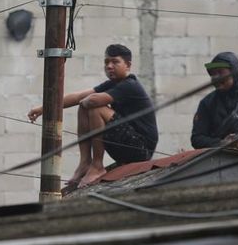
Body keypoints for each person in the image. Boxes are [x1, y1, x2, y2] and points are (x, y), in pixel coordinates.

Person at [28, 44, 158, 188]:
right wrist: (43, 108)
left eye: (115, 62)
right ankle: (85, 162)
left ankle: (97, 165)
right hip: (126, 146)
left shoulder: (130, 85)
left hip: (141, 149)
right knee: (85, 106)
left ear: (127, 65)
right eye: (106, 62)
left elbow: (93, 101)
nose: (109, 66)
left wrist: (87, 100)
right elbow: (77, 96)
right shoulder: (112, 84)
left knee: (95, 108)